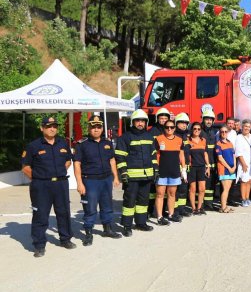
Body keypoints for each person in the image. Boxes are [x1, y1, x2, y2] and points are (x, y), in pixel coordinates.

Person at [22, 116, 76, 257]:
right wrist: (40, 178)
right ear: (42, 128)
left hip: (60, 183)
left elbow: (68, 161)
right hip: (41, 185)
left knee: (64, 212)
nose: (52, 128)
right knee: (40, 215)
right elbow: (26, 167)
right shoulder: (33, 146)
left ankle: (65, 239)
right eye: (48, 126)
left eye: (54, 126)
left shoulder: (63, 143)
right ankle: (39, 245)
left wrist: (59, 173)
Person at [73, 115, 121, 246]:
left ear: (102, 128)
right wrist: (79, 183)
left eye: (98, 127)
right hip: (90, 181)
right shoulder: (82, 144)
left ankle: (108, 229)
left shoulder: (107, 143)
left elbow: (112, 160)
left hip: (106, 179)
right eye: (93, 127)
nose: (96, 129)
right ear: (89, 128)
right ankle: (88, 234)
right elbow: (77, 163)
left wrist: (115, 177)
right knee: (90, 208)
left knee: (107, 206)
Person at [115, 109, 158, 237]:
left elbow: (153, 154)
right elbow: (120, 156)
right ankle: (127, 226)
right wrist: (123, 173)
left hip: (146, 176)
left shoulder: (149, 137)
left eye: (142, 121)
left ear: (146, 122)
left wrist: (155, 169)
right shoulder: (125, 137)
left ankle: (141, 222)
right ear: (133, 122)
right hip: (132, 176)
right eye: (137, 121)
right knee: (129, 201)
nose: (140, 123)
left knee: (143, 201)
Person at [153, 119, 186, 225]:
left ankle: (171, 214)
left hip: (174, 171)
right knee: (160, 194)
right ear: (164, 128)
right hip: (161, 172)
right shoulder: (158, 139)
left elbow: (181, 155)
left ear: (175, 128)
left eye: (172, 127)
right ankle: (159, 217)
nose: (169, 129)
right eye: (167, 127)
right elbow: (156, 155)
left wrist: (183, 168)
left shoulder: (179, 140)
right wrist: (156, 169)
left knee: (172, 194)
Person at [187, 122, 210, 215]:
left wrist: (208, 166)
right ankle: (193, 208)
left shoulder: (203, 140)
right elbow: (186, 154)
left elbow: (205, 154)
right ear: (192, 130)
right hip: (192, 167)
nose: (196, 130)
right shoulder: (187, 140)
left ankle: (200, 208)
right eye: (195, 129)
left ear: (201, 130)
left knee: (202, 189)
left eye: (198, 129)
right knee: (192, 189)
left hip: (201, 167)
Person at [173, 113, 192, 218]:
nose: (184, 125)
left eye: (185, 123)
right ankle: (175, 210)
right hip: (176, 167)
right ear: (176, 123)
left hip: (186, 167)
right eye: (181, 123)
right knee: (175, 190)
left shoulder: (186, 135)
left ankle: (182, 209)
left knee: (183, 190)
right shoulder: (174, 135)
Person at [214, 125, 237, 212]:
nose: (224, 133)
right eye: (222, 132)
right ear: (220, 133)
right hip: (224, 169)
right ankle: (223, 207)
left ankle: (225, 205)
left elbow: (234, 155)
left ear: (227, 133)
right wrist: (229, 168)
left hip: (231, 169)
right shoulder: (218, 144)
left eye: (225, 132)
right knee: (226, 188)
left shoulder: (230, 143)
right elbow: (220, 158)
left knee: (228, 188)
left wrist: (234, 166)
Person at [235, 119, 251, 207]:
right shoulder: (239, 137)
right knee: (243, 181)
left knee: (249, 181)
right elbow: (238, 152)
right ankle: (243, 199)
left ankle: (247, 198)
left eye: (249, 127)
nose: (247, 128)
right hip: (243, 162)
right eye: (245, 126)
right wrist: (243, 164)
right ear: (242, 127)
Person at [201, 109, 219, 210]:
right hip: (203, 163)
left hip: (213, 164)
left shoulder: (214, 132)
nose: (208, 121)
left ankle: (208, 204)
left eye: (210, 120)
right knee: (202, 186)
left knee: (211, 185)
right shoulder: (200, 132)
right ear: (203, 120)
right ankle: (199, 205)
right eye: (207, 119)